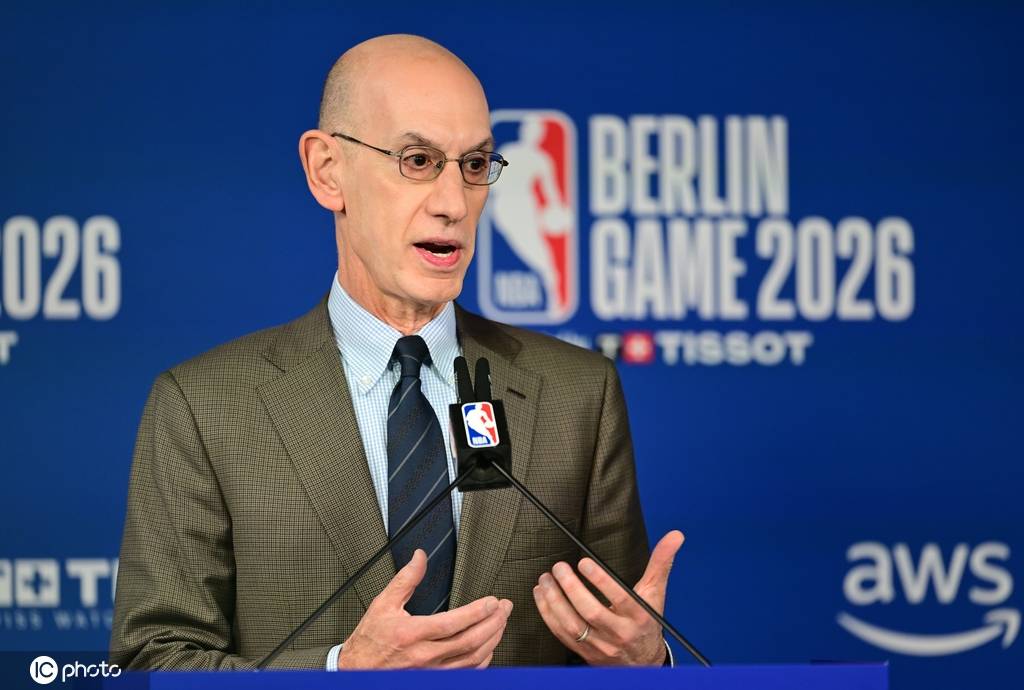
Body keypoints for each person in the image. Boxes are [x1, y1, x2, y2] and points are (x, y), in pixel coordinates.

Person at [110, 33, 685, 670]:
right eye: (418, 160)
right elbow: (148, 663)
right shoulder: (204, 406)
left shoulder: (578, 394)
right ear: (327, 170)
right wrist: (339, 673)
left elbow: (617, 641)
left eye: (475, 165)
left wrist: (647, 663)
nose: (453, 204)